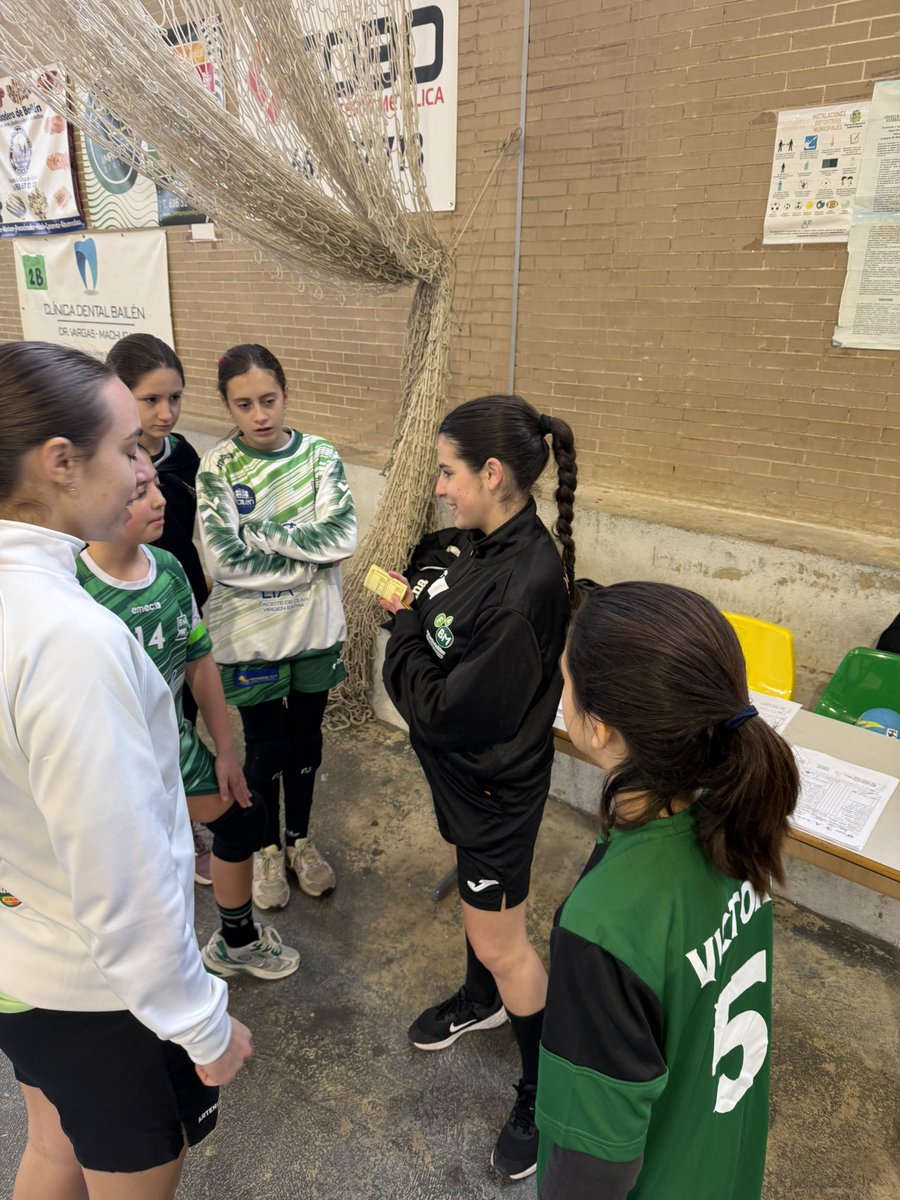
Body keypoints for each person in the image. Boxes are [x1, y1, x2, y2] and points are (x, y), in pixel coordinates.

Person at [0, 341, 252, 1200]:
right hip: (91, 988)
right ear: (61, 463)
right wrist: (203, 1023)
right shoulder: (69, 640)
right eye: (128, 447)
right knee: (133, 1172)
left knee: (52, 1145)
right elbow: (123, 876)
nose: (146, 461)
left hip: (17, 964)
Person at [535, 581, 800, 1200]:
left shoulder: (602, 926)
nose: (562, 691)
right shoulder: (732, 819)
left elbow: (593, 1169)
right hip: (724, 1166)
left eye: (567, 679)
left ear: (599, 729)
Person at [379, 394, 578, 1180]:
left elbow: (445, 711)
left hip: (494, 790)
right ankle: (480, 998)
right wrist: (419, 594)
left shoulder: (527, 582)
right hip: (467, 784)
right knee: (476, 904)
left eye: (447, 471)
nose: (440, 487)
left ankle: (542, 1085)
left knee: (506, 941)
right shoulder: (478, 540)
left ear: (493, 473)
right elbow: (433, 565)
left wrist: (401, 631)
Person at [77, 447, 300, 982]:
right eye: (140, 494)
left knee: (243, 817)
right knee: (142, 871)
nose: (160, 501)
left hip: (173, 742)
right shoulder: (71, 590)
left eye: (156, 485)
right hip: (109, 769)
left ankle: (236, 940)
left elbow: (199, 659)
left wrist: (225, 751)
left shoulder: (170, 567)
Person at [196, 343, 357, 911]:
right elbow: (222, 563)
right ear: (228, 407)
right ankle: (265, 847)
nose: (259, 415)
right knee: (265, 750)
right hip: (251, 638)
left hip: (314, 632)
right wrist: (305, 553)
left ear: (286, 395)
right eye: (244, 405)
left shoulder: (319, 457)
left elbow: (341, 539)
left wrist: (259, 533)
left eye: (269, 400)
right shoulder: (218, 467)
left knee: (307, 742)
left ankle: (300, 842)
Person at [106, 333, 213, 885]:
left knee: (183, 716)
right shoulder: (104, 461)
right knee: (136, 721)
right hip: (128, 609)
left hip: (182, 595)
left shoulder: (186, 456)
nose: (166, 412)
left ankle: (188, 824)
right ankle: (146, 830)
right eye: (151, 400)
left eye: (176, 398)